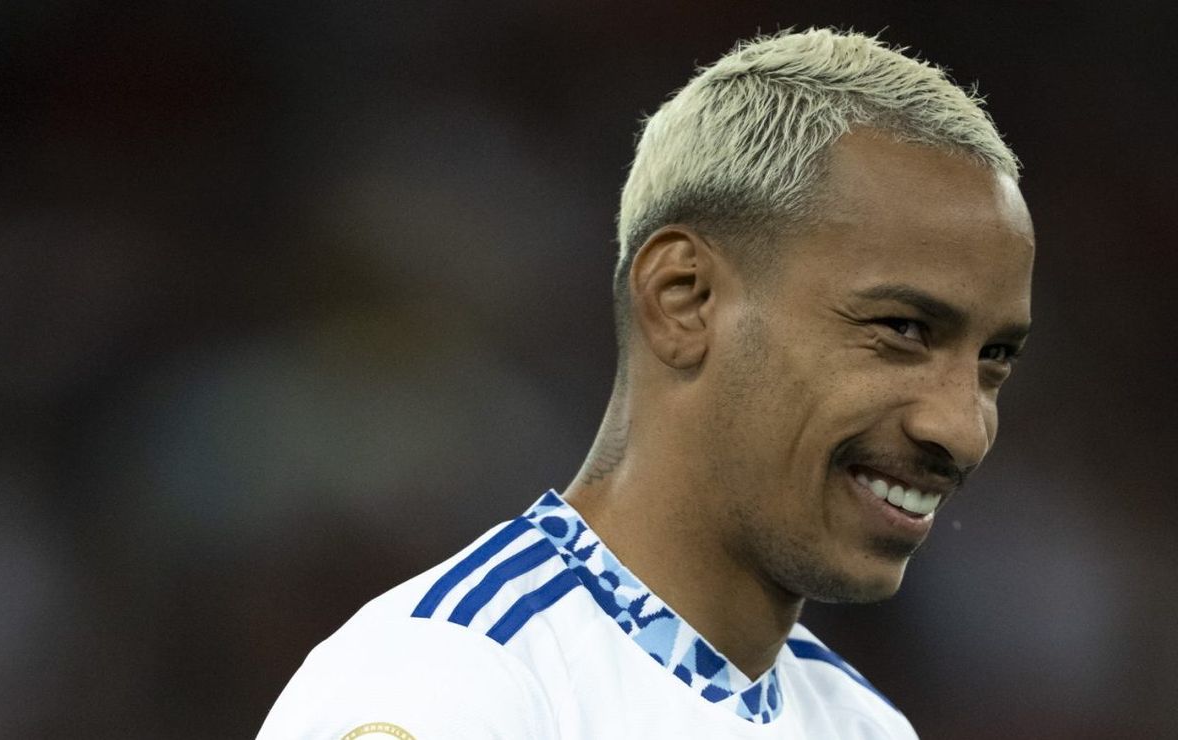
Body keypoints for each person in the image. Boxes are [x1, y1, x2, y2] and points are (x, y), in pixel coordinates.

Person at [258, 27, 1034, 739]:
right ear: (684, 299)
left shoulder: (865, 728)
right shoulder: (456, 687)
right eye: (903, 329)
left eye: (994, 357)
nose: (962, 431)